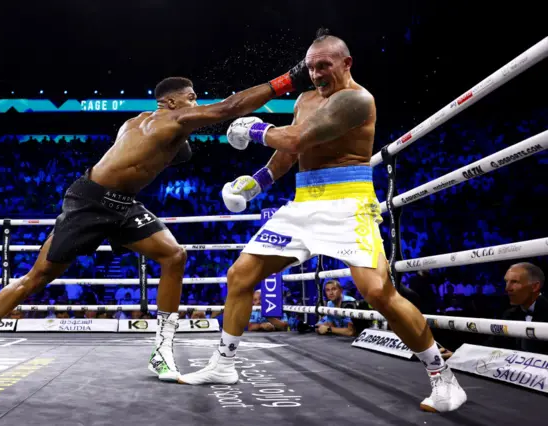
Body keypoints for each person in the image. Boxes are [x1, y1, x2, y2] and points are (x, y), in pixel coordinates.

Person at [0, 63, 314, 380]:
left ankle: (162, 351)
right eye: (192, 98)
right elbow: (228, 108)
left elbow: (149, 157)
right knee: (39, 276)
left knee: (174, 256)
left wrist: (181, 143)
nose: (196, 104)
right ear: (172, 101)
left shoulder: (137, 122)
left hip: (122, 204)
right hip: (88, 203)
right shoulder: (174, 117)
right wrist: (288, 80)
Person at [179, 28, 467, 413]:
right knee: (240, 276)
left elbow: (296, 139)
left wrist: (255, 128)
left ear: (346, 63)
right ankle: (224, 364)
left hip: (350, 202)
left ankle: (442, 375)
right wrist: (255, 184)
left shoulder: (356, 100)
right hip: (303, 204)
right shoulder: (304, 99)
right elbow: (290, 155)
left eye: (324, 66)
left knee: (378, 292)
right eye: (312, 68)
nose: (316, 74)